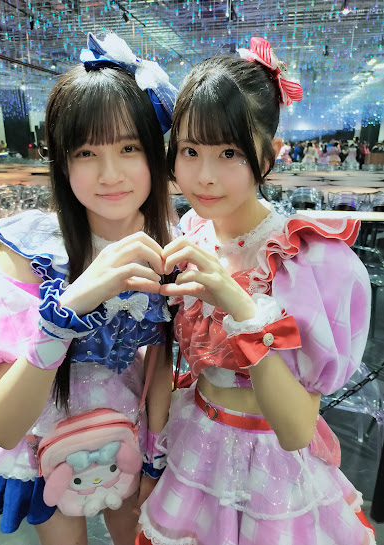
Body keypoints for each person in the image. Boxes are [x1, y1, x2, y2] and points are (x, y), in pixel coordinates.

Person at [136, 37, 375, 545]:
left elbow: (296, 430)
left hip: (270, 465)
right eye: (190, 151)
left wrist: (240, 306)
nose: (204, 176)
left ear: (270, 154)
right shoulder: (190, 233)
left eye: (230, 153)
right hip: (194, 438)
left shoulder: (308, 263)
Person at [0, 32, 177, 545]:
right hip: (45, 440)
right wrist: (66, 311)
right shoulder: (32, 252)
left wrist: (156, 457)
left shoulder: (174, 245)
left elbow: (162, 362)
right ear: (63, 162)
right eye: (87, 152)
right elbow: (2, 426)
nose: (110, 174)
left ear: (155, 153)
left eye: (129, 147)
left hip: (132, 432)